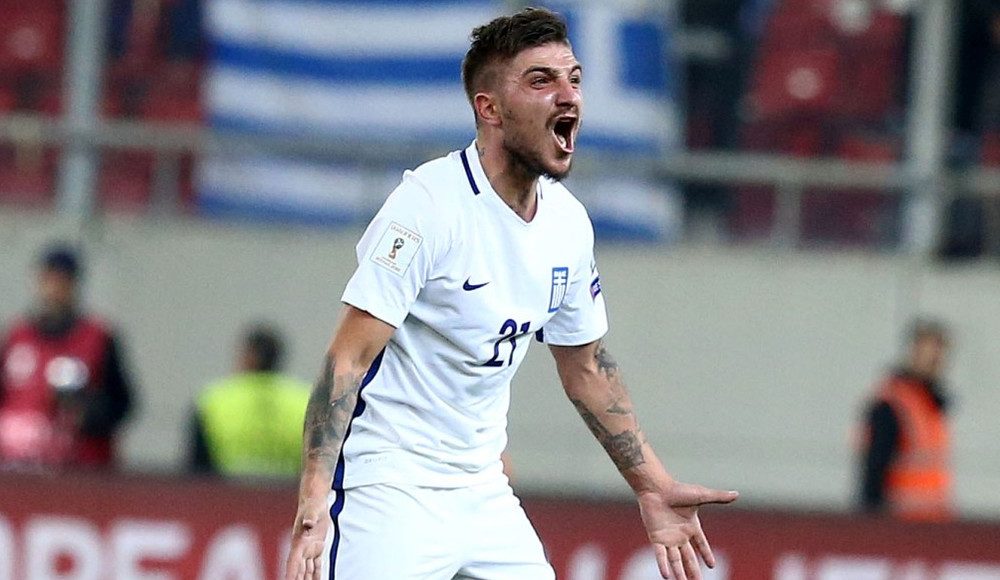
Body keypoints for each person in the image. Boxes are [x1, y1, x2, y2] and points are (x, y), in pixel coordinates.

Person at [285, 8, 738, 580]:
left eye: (574, 78)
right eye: (541, 81)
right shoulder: (427, 207)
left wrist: (651, 485)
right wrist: (314, 499)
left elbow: (587, 368)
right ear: (490, 109)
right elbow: (348, 358)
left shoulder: (568, 224)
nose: (568, 96)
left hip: (483, 488)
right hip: (390, 484)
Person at [0, 243, 135, 469]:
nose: (54, 289)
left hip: (77, 468)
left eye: (62, 281)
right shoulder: (17, 337)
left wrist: (87, 415)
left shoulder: (97, 338)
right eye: (49, 280)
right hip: (17, 467)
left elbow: (120, 403)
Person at [858, 318, 954, 521]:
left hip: (933, 522)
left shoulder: (930, 405)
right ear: (913, 353)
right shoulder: (893, 404)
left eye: (938, 356)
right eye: (928, 355)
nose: (935, 362)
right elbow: (874, 471)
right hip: (901, 522)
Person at [190, 324, 310, 478]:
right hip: (288, 492)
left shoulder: (212, 401)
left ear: (248, 356)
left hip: (226, 491)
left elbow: (195, 474)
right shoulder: (305, 402)